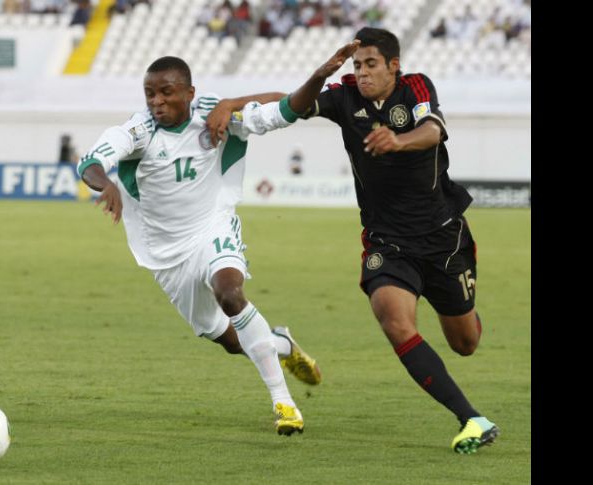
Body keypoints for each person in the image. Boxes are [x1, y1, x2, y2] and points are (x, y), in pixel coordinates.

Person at [208, 27, 500, 454]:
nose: (361, 73)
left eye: (370, 65)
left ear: (392, 66)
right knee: (393, 318)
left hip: (443, 236)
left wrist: (397, 140)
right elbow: (291, 104)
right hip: (388, 240)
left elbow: (434, 130)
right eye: (356, 65)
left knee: (465, 343)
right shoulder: (345, 96)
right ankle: (472, 418)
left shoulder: (416, 87)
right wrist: (239, 101)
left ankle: (464, 311)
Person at [76, 55, 344, 435]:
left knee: (230, 293)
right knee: (233, 342)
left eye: (167, 93)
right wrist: (106, 185)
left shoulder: (216, 115)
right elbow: (90, 162)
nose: (157, 102)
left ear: (189, 92)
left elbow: (285, 107)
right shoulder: (138, 131)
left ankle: (284, 403)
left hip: (212, 226)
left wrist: (235, 103)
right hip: (165, 255)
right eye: (150, 93)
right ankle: (280, 344)